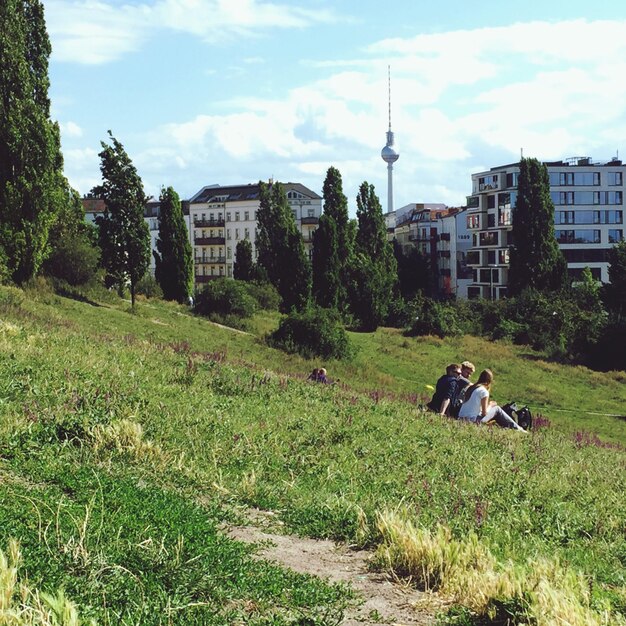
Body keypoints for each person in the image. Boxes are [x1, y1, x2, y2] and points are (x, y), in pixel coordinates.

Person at [458, 369, 527, 431]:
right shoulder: (483, 391)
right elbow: (484, 414)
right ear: (489, 381)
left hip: (461, 418)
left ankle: (510, 427)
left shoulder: (471, 388)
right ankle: (518, 428)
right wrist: (490, 405)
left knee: (495, 410)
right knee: (497, 409)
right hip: (473, 421)